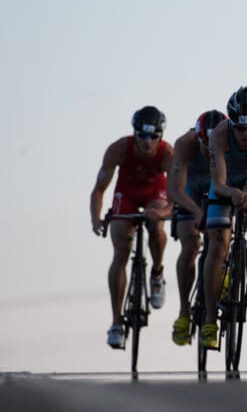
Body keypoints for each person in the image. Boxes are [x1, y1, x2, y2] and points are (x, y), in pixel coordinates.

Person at [90, 106, 174, 349]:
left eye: (153, 137)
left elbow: (176, 195)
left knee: (156, 225)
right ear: (134, 133)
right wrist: (96, 218)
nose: (147, 142)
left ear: (160, 136)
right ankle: (116, 322)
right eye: (142, 135)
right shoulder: (118, 149)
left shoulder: (168, 153)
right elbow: (98, 189)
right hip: (125, 194)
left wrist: (163, 212)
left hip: (154, 194)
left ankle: (157, 274)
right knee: (121, 249)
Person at [199, 87, 247, 348]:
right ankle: (210, 320)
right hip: (227, 182)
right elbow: (218, 184)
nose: (246, 135)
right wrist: (232, 193)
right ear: (230, 123)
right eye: (240, 129)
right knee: (217, 243)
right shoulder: (220, 134)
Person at [166, 109, 227, 346]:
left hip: (217, 182)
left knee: (222, 237)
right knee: (190, 243)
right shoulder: (184, 143)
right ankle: (184, 311)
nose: (207, 149)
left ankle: (224, 271)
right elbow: (174, 191)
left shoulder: (227, 139)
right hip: (191, 187)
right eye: (204, 144)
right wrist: (196, 211)